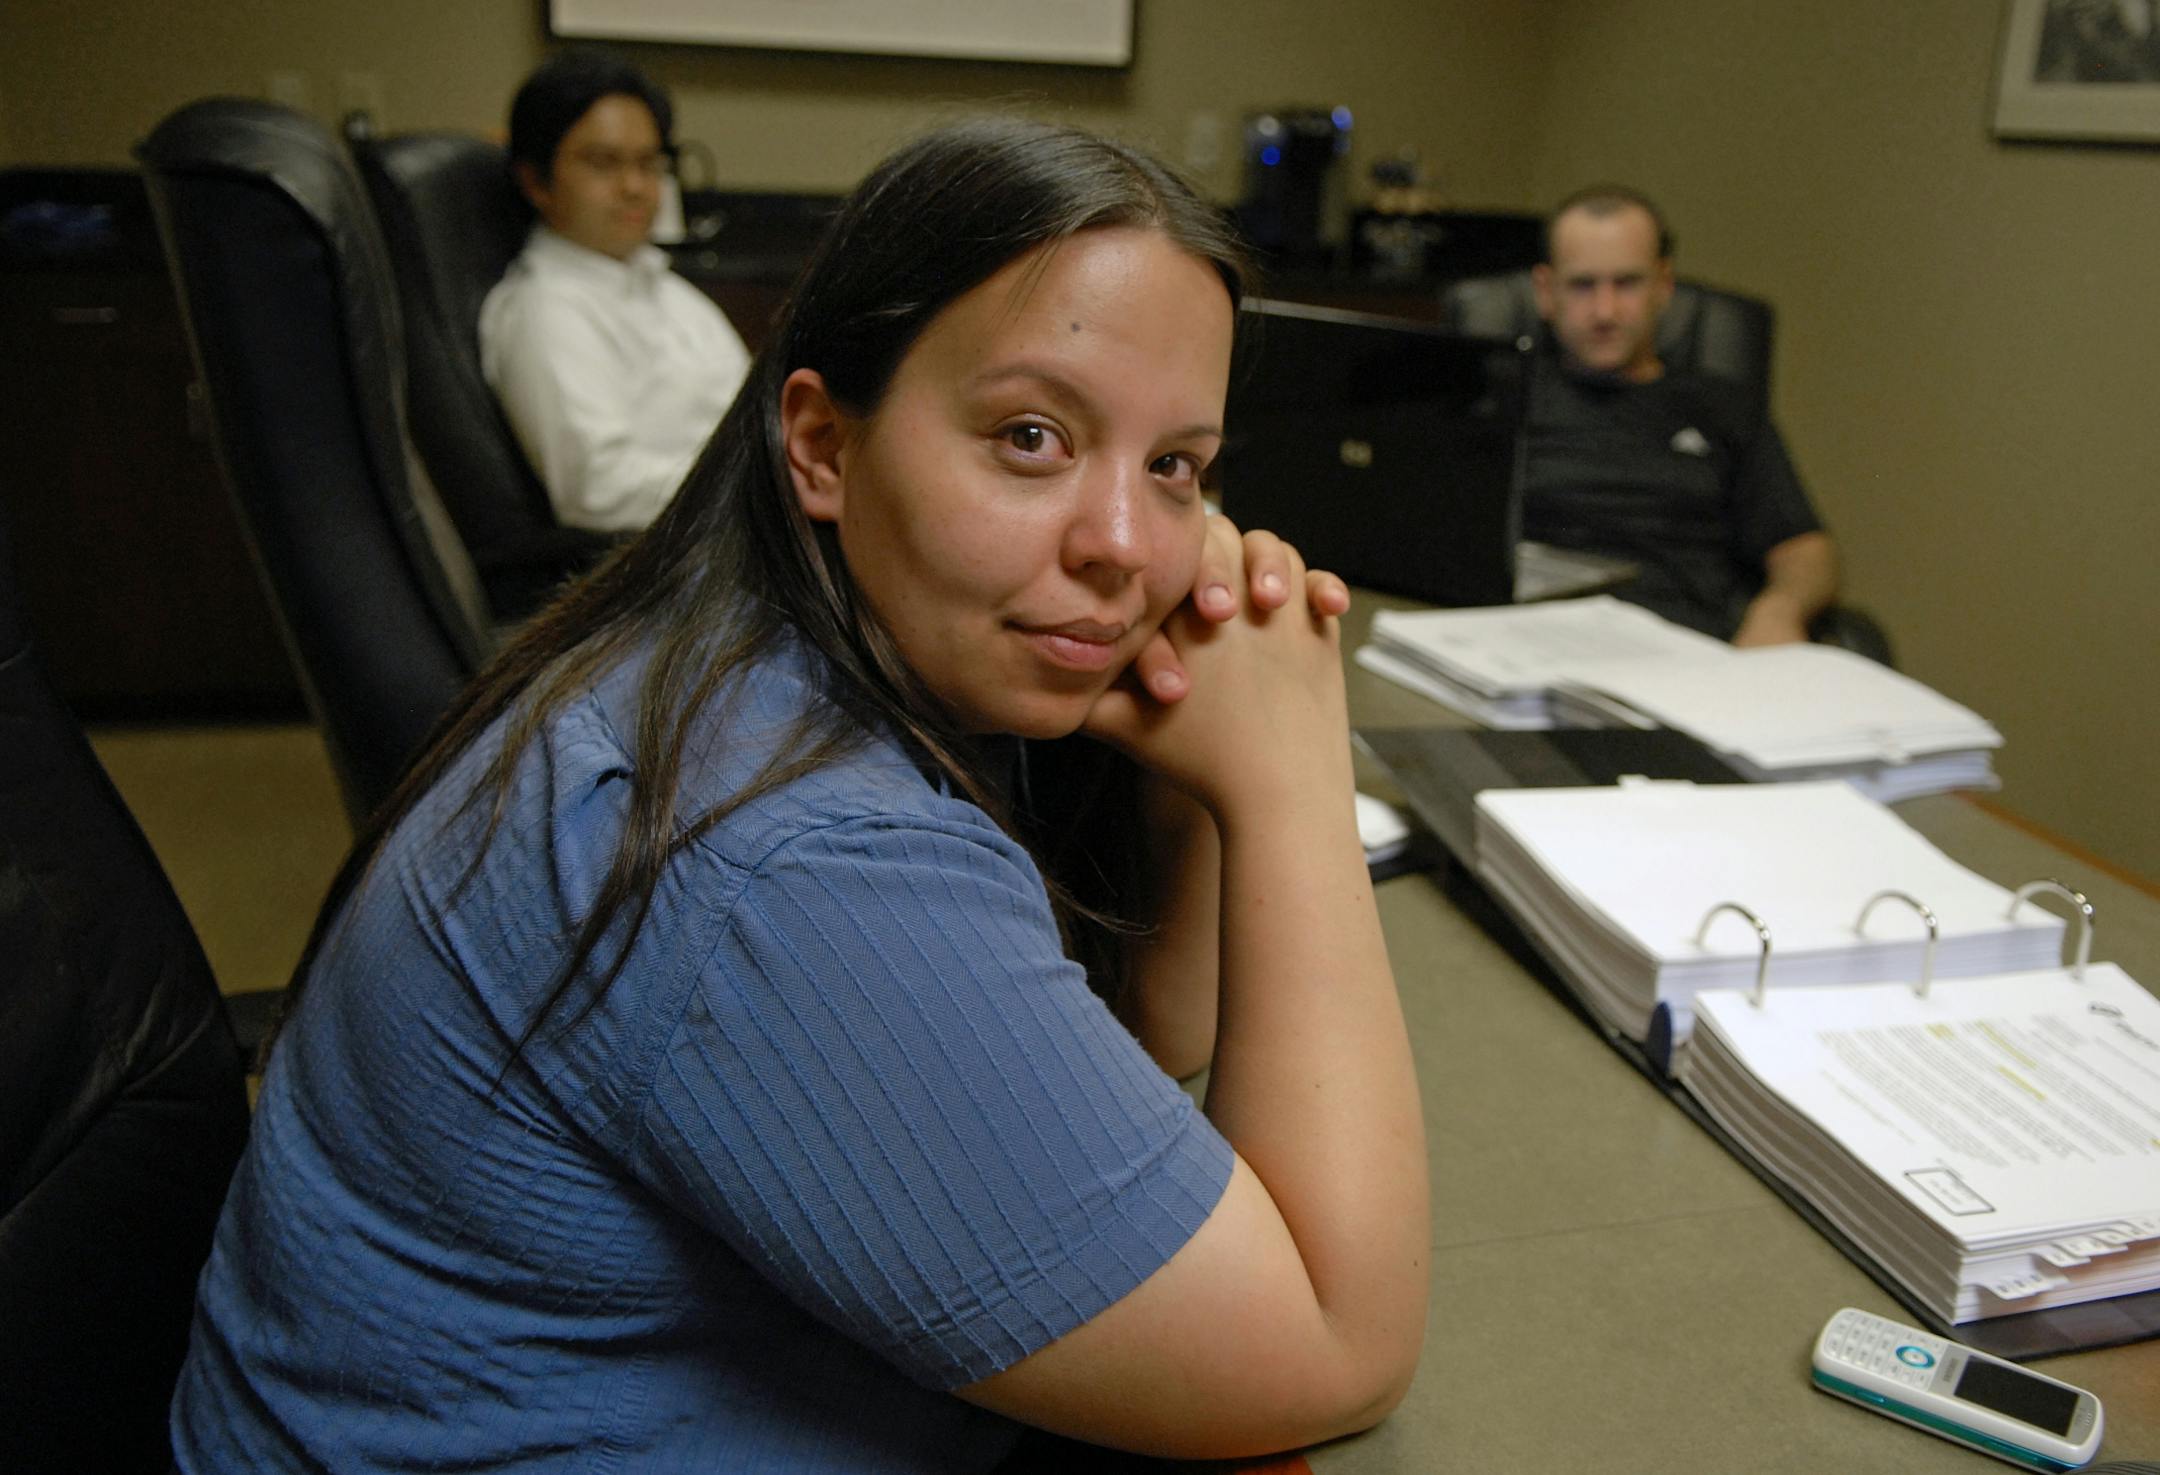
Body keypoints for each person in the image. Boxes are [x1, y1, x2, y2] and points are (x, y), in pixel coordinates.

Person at [171, 119, 1429, 1471]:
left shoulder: (779, 648)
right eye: (1031, 436)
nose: (1126, 545)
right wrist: (1294, 781)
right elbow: (1332, 1346)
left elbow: (1136, 1037)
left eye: (1175, 465)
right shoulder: (786, 840)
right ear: (822, 444)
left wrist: (1193, 785)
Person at [1525, 185, 1839, 645]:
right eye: (1583, 285)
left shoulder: (1722, 408)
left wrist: (1779, 610)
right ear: (1545, 291)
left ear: (1663, 285)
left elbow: (1804, 547)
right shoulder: (1499, 399)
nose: (1605, 311)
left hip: (1683, 648)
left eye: (1627, 283)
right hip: (1530, 642)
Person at [479, 50, 752, 532]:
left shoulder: (669, 291)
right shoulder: (545, 309)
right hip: (683, 553)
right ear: (536, 181)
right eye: (604, 164)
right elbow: (598, 490)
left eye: (648, 164)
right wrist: (760, 488)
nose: (634, 187)